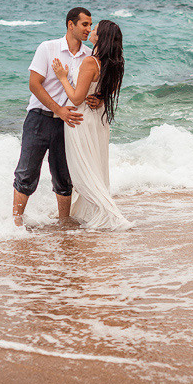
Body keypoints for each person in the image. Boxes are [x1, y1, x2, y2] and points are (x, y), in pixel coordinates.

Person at [12, 7, 100, 226]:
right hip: (39, 119)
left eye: (90, 25)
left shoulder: (89, 56)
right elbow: (34, 84)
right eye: (84, 24)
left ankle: (63, 226)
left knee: (63, 176)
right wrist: (58, 110)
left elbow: (96, 87)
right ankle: (15, 225)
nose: (88, 29)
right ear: (71, 25)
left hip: (69, 124)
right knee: (27, 173)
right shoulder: (48, 48)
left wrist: (99, 99)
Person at [51, 20, 132, 230]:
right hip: (98, 120)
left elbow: (77, 99)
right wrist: (102, 98)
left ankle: (109, 214)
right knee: (94, 168)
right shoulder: (116, 61)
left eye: (95, 29)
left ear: (100, 37)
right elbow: (110, 89)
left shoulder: (90, 62)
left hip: (81, 119)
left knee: (83, 171)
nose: (91, 31)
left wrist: (62, 78)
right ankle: (91, 212)